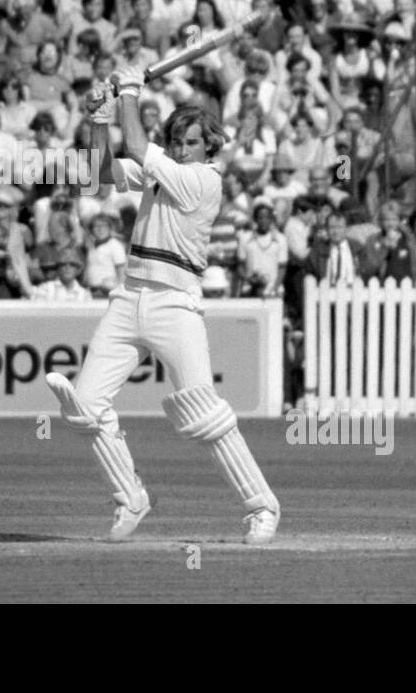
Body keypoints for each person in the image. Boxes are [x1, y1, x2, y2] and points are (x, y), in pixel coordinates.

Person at [44, 75, 280, 546]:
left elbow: (135, 142)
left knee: (204, 415)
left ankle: (262, 507)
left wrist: (129, 89)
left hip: (176, 303)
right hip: (129, 297)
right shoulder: (163, 168)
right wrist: (98, 118)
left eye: (190, 142)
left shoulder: (203, 180)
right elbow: (99, 175)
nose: (181, 149)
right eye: (175, 141)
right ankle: (130, 497)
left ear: (208, 146)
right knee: (85, 408)